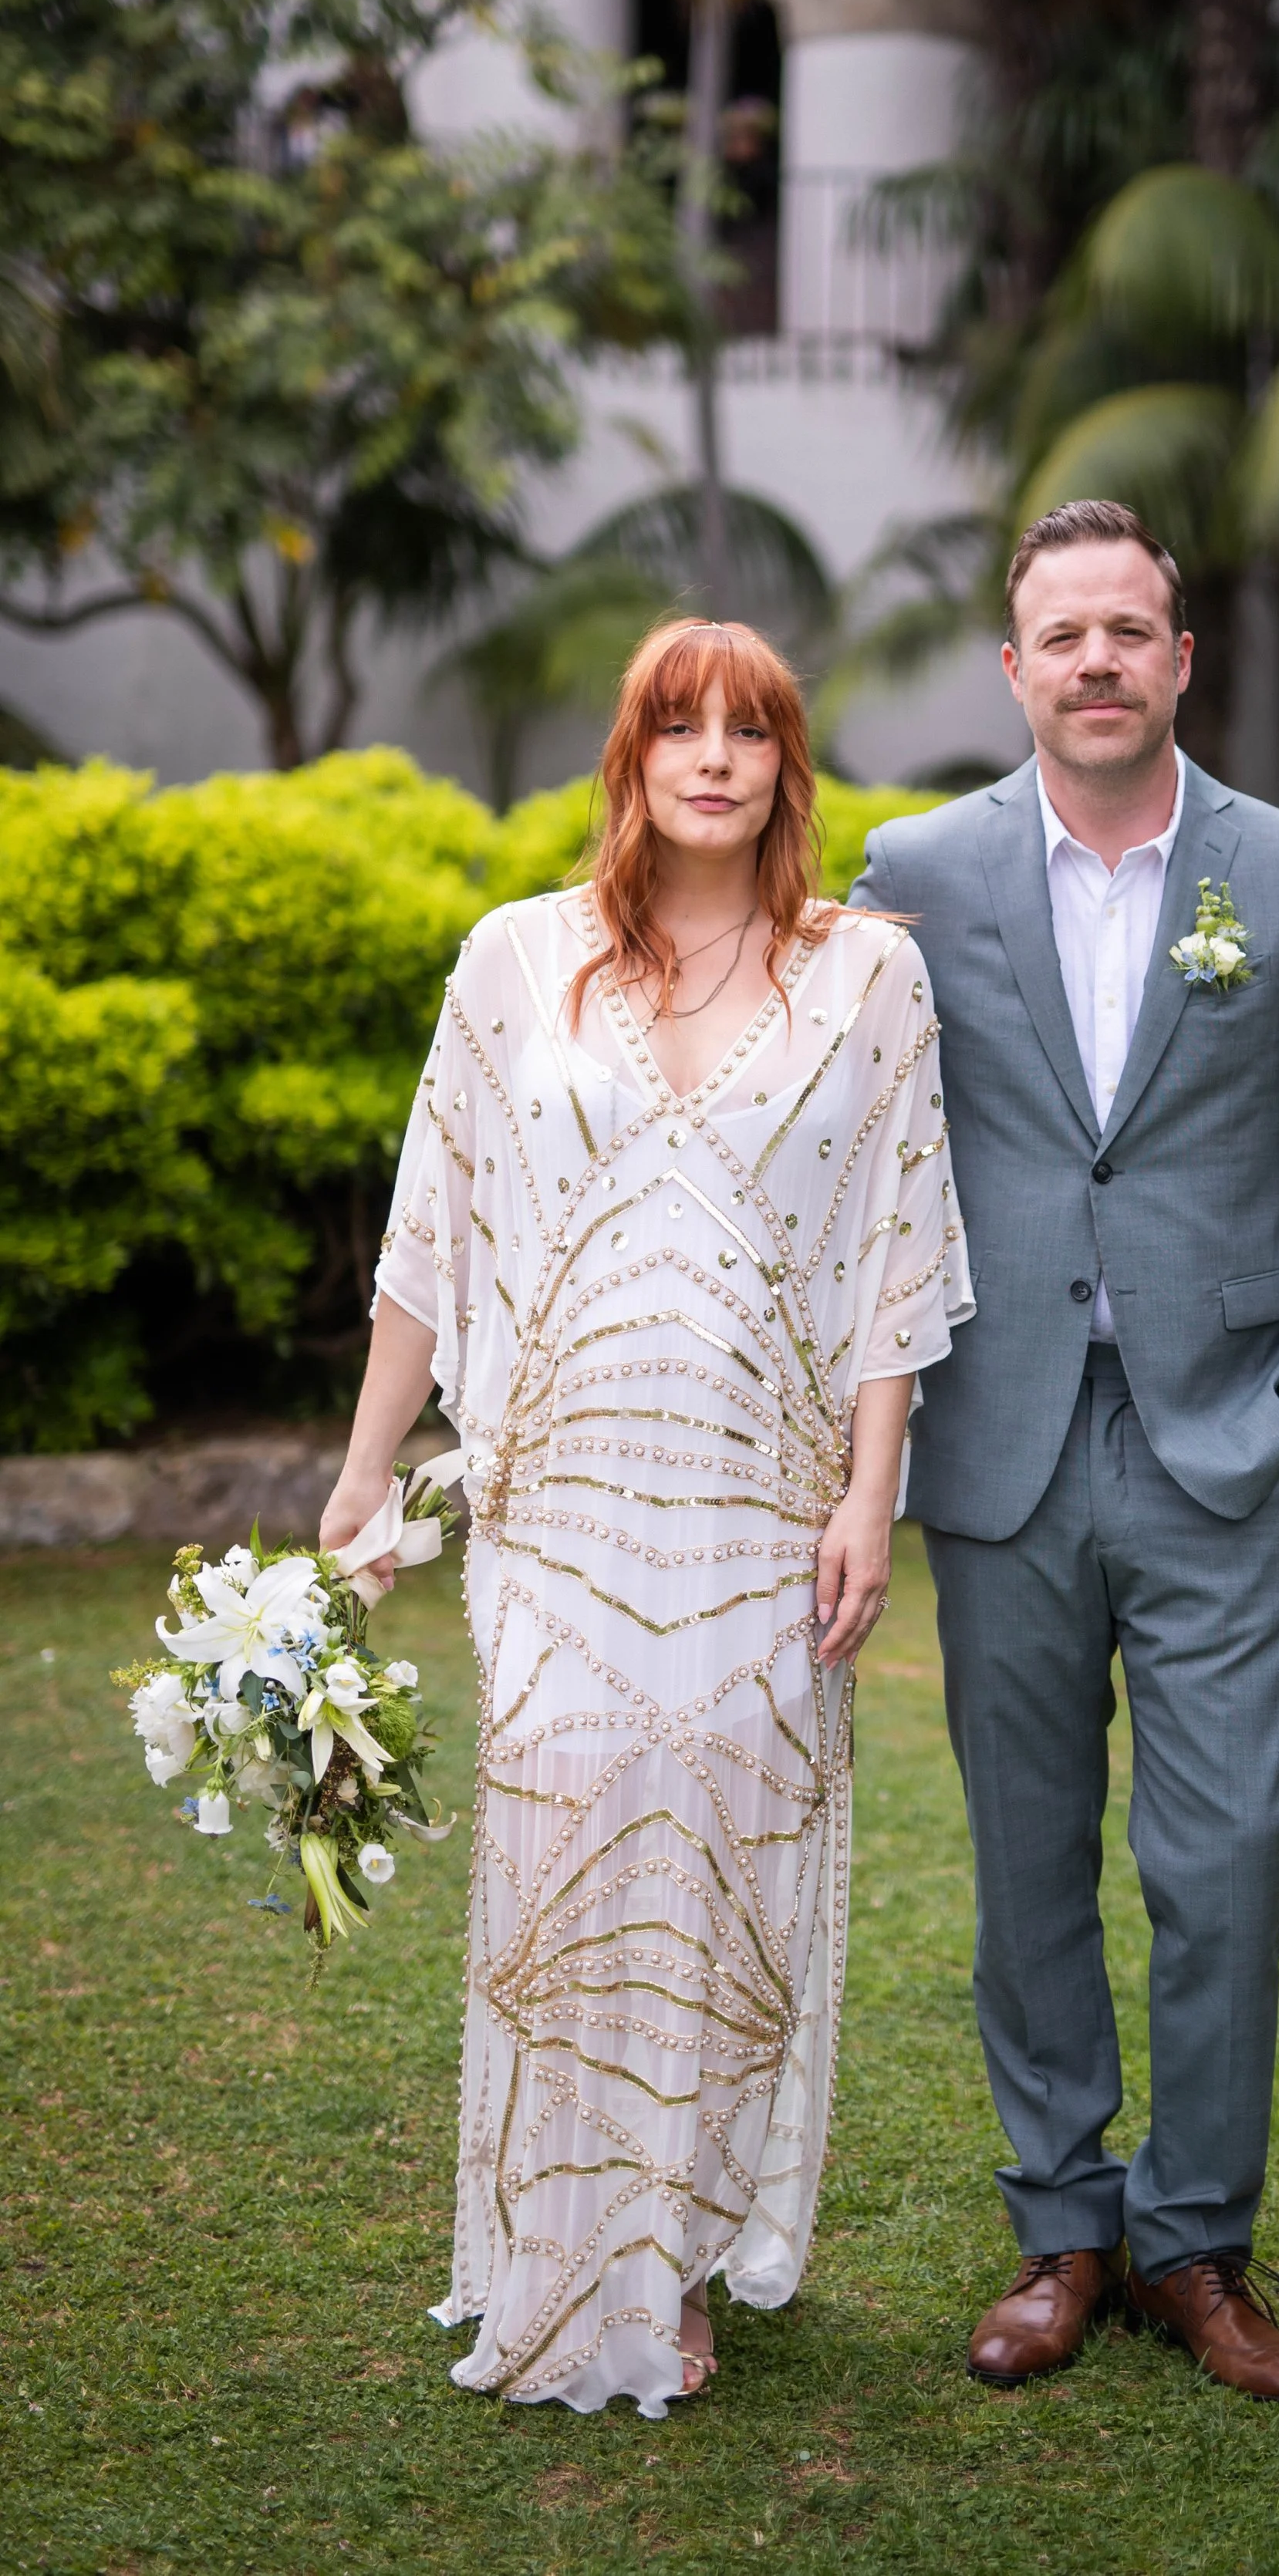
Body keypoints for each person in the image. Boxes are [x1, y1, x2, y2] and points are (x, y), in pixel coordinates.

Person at [319, 618, 971, 2417]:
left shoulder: (866, 980)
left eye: (744, 732)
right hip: (559, 1502)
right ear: (628, 756)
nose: (709, 758)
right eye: (674, 726)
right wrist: (369, 1470)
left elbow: (896, 1265)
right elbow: (428, 1243)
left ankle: (673, 2254)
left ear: (782, 767)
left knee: (723, 1860)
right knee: (569, 1841)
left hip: (764, 1505)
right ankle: (557, 2252)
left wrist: (867, 1497)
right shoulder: (515, 962)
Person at [852, 501, 1279, 2403]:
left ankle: (1198, 2246)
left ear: (1182, 660)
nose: (1096, 660)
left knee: (1224, 1857)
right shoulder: (910, 870)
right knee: (1026, 1864)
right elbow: (845, 1146)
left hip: (1221, 1447)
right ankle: (1060, 2231)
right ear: (1011, 671)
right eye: (1060, 635)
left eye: (1129, 630)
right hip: (996, 1440)